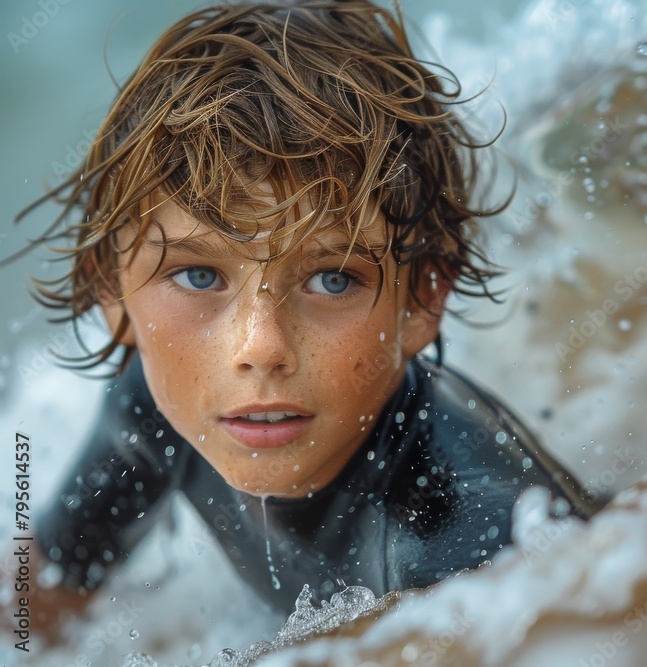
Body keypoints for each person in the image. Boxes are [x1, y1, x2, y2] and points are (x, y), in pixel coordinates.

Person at [10, 0, 597, 634]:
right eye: (198, 276)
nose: (259, 348)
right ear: (113, 296)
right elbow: (35, 601)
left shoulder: (479, 547)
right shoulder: (155, 407)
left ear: (424, 298)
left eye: (333, 278)